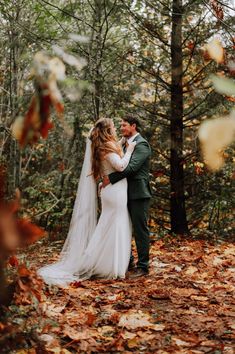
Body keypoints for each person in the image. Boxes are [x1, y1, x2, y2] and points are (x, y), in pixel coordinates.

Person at [38, 118, 136, 286]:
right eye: (113, 127)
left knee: (107, 225)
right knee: (115, 225)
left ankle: (106, 263)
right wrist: (130, 150)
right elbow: (120, 166)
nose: (115, 129)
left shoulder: (102, 146)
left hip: (111, 191)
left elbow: (114, 153)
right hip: (115, 192)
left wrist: (123, 142)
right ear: (107, 130)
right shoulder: (106, 148)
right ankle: (109, 266)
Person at [102, 115, 151, 277]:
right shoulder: (122, 144)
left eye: (124, 125)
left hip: (138, 193)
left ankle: (143, 266)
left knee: (139, 229)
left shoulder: (142, 144)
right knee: (124, 227)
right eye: (120, 126)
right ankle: (127, 261)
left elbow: (131, 168)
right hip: (122, 193)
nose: (121, 128)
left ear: (133, 126)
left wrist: (110, 179)